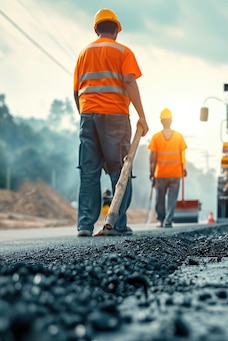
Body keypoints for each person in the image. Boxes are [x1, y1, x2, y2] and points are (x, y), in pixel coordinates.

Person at [73, 8, 148, 237]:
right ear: (116, 30)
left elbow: (76, 92)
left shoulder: (83, 54)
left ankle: (85, 225)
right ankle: (117, 224)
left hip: (88, 116)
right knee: (120, 170)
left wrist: (86, 115)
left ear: (97, 29)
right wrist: (142, 116)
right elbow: (129, 81)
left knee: (89, 172)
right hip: (115, 116)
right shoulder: (123, 51)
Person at [148, 108, 187, 228]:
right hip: (176, 173)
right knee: (172, 198)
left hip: (161, 174)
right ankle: (168, 220)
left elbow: (152, 157)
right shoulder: (179, 137)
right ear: (171, 120)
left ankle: (161, 219)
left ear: (161, 121)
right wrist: (184, 168)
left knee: (160, 198)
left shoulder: (156, 137)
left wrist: (151, 172)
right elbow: (183, 155)